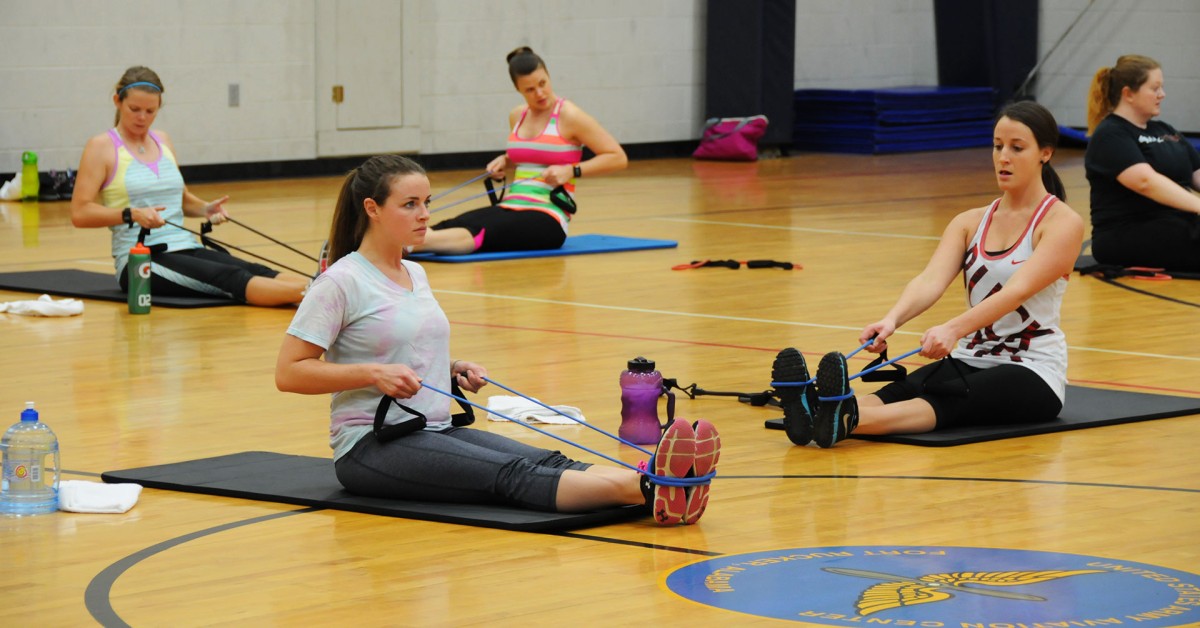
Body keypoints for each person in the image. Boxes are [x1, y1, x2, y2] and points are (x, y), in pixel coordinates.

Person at [275, 154, 718, 525]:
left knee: (545, 459)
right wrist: (372, 373)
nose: (424, 214)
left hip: (432, 427)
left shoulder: (415, 272)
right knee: (509, 474)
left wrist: (449, 368)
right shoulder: (341, 282)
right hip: (370, 446)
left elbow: (401, 348)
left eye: (426, 202)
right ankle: (652, 487)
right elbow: (289, 373)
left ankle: (659, 481)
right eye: (409, 204)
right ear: (372, 208)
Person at [773, 101, 1085, 448]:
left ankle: (844, 418)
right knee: (903, 389)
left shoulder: (1063, 223)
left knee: (951, 398)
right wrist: (891, 321)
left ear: (1045, 153)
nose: (1003, 157)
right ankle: (817, 411)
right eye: (997, 146)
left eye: (1017, 148)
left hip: (1033, 369)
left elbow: (1017, 291)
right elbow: (929, 281)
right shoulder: (969, 221)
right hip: (970, 357)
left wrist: (953, 329)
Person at [70, 66, 310, 306]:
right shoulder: (101, 147)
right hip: (141, 260)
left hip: (184, 246)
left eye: (150, 111)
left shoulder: (162, 140)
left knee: (253, 268)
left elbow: (181, 200)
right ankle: (320, 297)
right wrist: (131, 214)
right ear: (117, 102)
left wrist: (206, 209)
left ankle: (325, 286)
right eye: (134, 109)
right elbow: (80, 213)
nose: (142, 117)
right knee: (232, 278)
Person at [415, 47, 628, 255]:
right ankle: (406, 243)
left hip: (548, 217)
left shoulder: (570, 115)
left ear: (549, 76)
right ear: (518, 90)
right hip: (511, 205)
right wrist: (505, 161)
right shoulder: (518, 116)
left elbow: (617, 157)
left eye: (543, 83)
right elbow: (530, 156)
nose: (540, 93)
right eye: (530, 89)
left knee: (481, 231)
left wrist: (572, 171)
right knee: (455, 223)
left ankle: (410, 246)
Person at [1084, 54, 1200, 272]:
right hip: (1127, 231)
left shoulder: (1165, 130)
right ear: (1128, 93)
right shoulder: (1110, 134)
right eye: (1155, 88)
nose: (1162, 94)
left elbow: (1197, 173)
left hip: (1175, 224)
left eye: (1162, 88)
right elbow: (1146, 182)